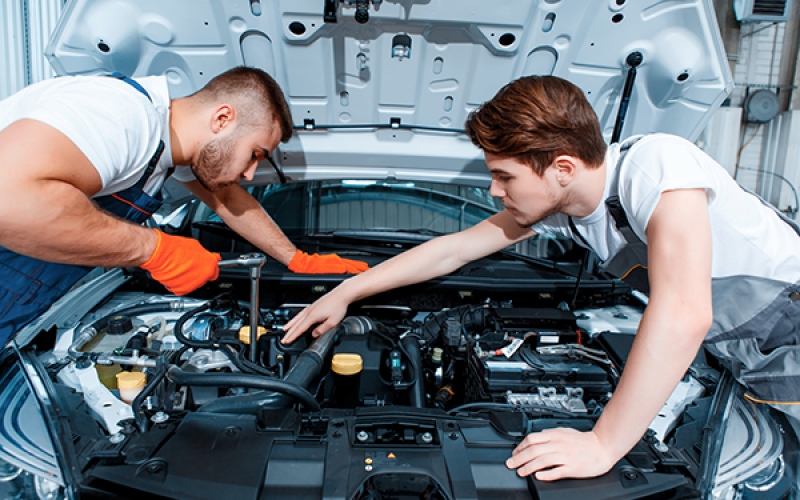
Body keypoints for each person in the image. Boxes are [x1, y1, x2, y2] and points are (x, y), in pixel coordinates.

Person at [282, 75, 800, 482]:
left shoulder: (656, 168)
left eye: (504, 176)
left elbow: (683, 313)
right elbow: (454, 249)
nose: (492, 189)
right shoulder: (570, 210)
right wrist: (346, 291)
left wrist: (602, 443)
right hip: (747, 352)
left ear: (564, 168)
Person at [0, 66, 368, 345]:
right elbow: (9, 197)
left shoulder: (165, 149)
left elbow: (225, 197)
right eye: (255, 154)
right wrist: (153, 250)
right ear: (223, 118)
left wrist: (295, 259)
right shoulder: (120, 115)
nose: (251, 173)